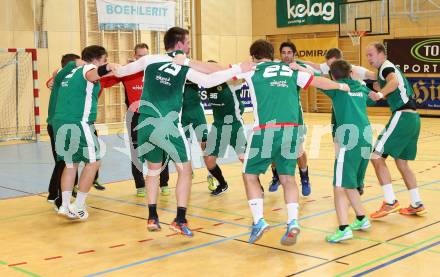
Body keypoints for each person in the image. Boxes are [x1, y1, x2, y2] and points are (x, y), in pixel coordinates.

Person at [115, 27, 255, 237]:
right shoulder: (182, 65)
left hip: (145, 122)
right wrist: (237, 69)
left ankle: (152, 216)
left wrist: (100, 67)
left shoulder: (150, 59)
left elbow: (119, 71)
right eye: (188, 43)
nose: (189, 47)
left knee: (153, 171)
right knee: (185, 171)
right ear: (179, 44)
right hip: (168, 124)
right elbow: (209, 80)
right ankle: (180, 219)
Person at [234, 39, 349, 245]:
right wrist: (340, 85)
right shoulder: (291, 70)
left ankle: (259, 220)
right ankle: (293, 221)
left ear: (254, 56)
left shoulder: (251, 69)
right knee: (288, 178)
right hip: (291, 130)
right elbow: (317, 81)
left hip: (266, 130)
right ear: (273, 54)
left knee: (249, 175)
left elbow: (217, 72)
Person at [53, 45, 118, 220]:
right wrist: (107, 67)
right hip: (78, 122)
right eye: (104, 60)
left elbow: (55, 78)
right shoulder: (89, 68)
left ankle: (65, 206)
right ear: (96, 60)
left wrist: (121, 69)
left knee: (70, 164)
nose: (105, 63)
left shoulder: (70, 72)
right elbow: (92, 73)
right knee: (94, 162)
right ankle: (79, 205)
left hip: (60, 122)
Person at [366, 42, 426, 218]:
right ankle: (416, 203)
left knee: (376, 156)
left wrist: (380, 95)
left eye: (371, 54)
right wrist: (366, 84)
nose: (369, 58)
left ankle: (390, 201)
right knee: (401, 163)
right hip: (413, 118)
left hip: (402, 116)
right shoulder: (384, 70)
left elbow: (393, 81)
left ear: (381, 54)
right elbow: (380, 84)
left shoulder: (386, 67)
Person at [318, 60, 373, 242]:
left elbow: (316, 80)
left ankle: (343, 228)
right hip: (366, 138)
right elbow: (373, 96)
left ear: (333, 76)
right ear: (350, 72)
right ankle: (361, 218)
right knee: (350, 184)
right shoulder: (360, 87)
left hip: (349, 140)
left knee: (339, 186)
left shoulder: (337, 88)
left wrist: (298, 68)